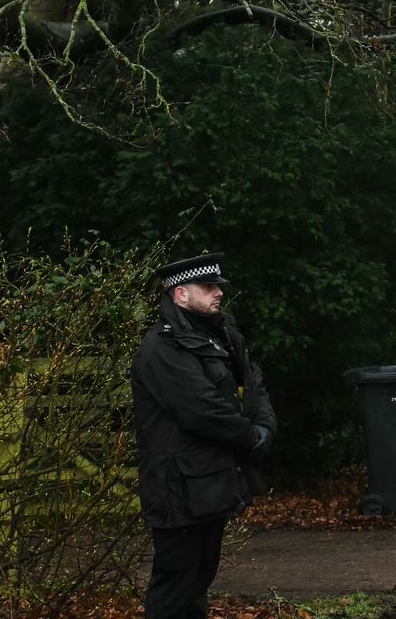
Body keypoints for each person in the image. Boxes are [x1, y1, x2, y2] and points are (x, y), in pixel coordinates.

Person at [132, 253, 276, 619]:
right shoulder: (162, 347)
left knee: (197, 584)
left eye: (218, 287)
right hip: (177, 489)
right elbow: (201, 410)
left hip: (211, 483)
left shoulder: (224, 335)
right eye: (208, 287)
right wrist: (250, 436)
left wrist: (265, 428)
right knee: (174, 587)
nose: (218, 294)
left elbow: (253, 383)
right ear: (181, 294)